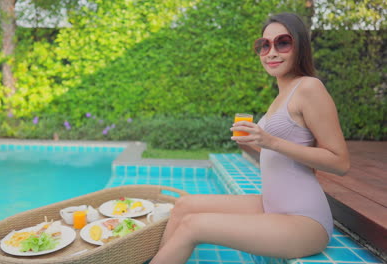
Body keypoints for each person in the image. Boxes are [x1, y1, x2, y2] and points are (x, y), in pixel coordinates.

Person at [149, 12, 350, 264]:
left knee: (193, 225)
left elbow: (340, 163)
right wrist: (258, 142)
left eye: (283, 43)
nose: (271, 52)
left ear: (300, 46)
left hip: (305, 220)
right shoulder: (281, 94)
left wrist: (271, 142)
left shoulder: (309, 87)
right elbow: (286, 148)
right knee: (184, 206)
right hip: (271, 204)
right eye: (264, 45)